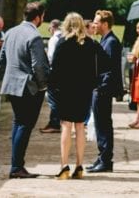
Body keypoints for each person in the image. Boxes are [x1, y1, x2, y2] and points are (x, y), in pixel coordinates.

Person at [0, 2, 50, 179]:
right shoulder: (34, 35)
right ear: (38, 17)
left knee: (18, 123)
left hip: (11, 84)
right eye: (43, 17)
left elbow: (2, 59)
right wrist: (43, 85)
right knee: (25, 125)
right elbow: (39, 66)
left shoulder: (11, 32)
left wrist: (10, 75)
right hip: (28, 87)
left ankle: (16, 164)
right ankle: (16, 166)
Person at [49, 13, 100, 180]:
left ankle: (64, 166)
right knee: (80, 127)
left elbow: (55, 68)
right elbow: (99, 66)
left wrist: (53, 87)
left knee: (66, 126)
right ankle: (79, 166)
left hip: (65, 90)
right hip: (83, 90)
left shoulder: (63, 42)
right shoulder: (90, 43)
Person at [88, 9, 122, 173]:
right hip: (100, 87)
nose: (94, 24)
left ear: (105, 24)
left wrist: (102, 88)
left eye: (96, 22)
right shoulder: (104, 40)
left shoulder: (111, 42)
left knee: (103, 124)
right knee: (101, 124)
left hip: (103, 89)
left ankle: (106, 160)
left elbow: (109, 69)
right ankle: (102, 158)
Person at [40, 19, 62, 134]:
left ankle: (54, 123)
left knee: (52, 99)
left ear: (53, 27)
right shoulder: (64, 37)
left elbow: (51, 57)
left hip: (54, 73)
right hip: (63, 74)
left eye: (49, 28)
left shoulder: (54, 39)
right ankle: (56, 122)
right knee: (58, 99)